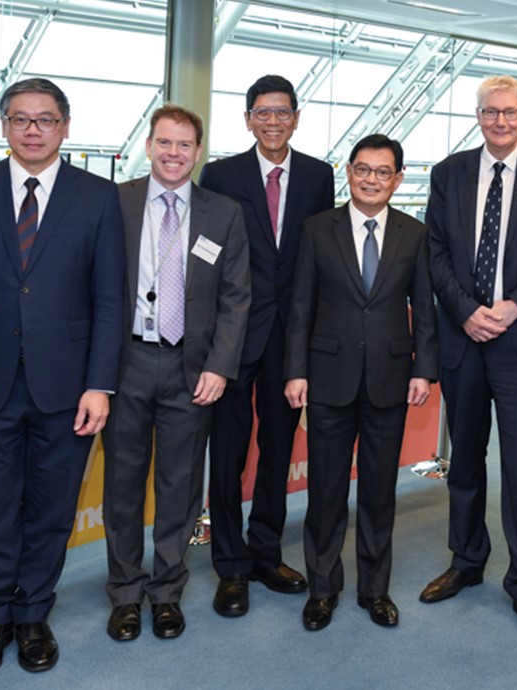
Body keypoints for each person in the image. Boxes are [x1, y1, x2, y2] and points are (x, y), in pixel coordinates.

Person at [0, 77, 126, 678]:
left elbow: (111, 299)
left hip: (69, 385)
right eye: (21, 119)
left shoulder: (97, 196)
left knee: (52, 507)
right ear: (4, 126)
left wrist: (100, 384)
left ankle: (32, 616)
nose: (33, 129)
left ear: (65, 126)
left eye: (46, 119)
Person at [420, 74, 517, 642]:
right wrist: (465, 311)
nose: (501, 121)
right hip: (464, 338)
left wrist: (512, 308)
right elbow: (435, 251)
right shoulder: (449, 172)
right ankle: (466, 559)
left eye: (510, 112)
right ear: (478, 115)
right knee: (465, 461)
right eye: (491, 112)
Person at [101, 105, 251, 643]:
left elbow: (238, 297)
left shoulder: (223, 213)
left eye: (185, 145)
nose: (173, 153)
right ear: (149, 144)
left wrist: (220, 365)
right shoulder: (114, 203)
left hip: (193, 368)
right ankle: (124, 593)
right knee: (122, 485)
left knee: (180, 485)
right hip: (127, 363)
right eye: (165, 142)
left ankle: (166, 592)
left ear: (198, 151)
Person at [284, 134, 437, 631]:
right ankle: (322, 589)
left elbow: (425, 310)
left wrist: (423, 368)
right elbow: (300, 306)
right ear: (348, 172)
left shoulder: (414, 235)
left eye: (382, 171)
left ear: (398, 177)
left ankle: (375, 590)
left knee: (378, 492)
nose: (371, 179)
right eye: (362, 169)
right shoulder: (317, 230)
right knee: (326, 491)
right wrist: (295, 370)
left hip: (391, 379)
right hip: (328, 377)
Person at [199, 74, 335, 614]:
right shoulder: (221, 174)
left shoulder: (318, 175)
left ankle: (266, 551)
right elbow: (207, 252)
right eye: (263, 112)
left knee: (278, 450)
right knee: (228, 453)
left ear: (296, 118)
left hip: (291, 339)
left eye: (282, 112)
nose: (273, 120)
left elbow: (317, 255)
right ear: (248, 118)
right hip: (232, 336)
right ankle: (230, 565)